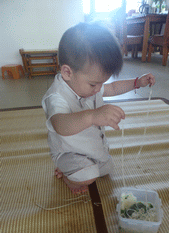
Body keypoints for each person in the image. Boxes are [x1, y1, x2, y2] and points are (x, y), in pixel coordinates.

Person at [42, 22, 156, 194]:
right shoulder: (57, 96)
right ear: (67, 72)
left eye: (101, 83)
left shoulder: (89, 83)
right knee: (88, 176)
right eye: (94, 84)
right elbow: (60, 125)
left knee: (107, 168)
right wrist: (91, 116)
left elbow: (114, 88)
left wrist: (136, 82)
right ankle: (66, 173)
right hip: (69, 151)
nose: (98, 89)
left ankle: (73, 170)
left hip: (91, 147)